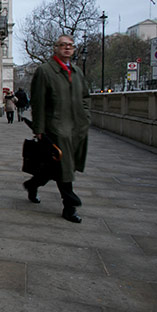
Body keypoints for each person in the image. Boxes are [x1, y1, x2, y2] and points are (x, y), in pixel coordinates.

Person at [23, 34, 90, 223]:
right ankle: (70, 205)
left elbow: (86, 97)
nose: (67, 48)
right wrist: (39, 128)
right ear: (55, 48)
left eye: (70, 45)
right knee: (64, 165)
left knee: (55, 166)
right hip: (56, 126)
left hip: (77, 126)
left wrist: (86, 116)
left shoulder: (77, 72)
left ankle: (32, 184)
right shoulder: (45, 71)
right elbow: (38, 102)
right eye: (63, 45)